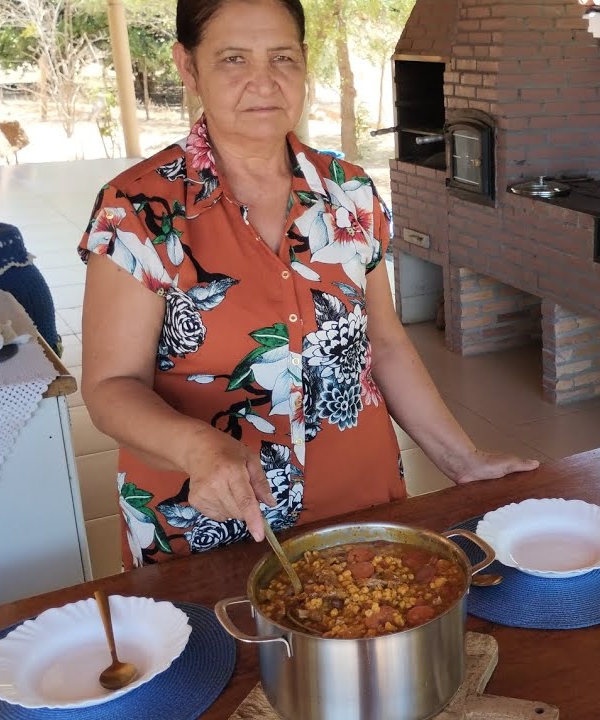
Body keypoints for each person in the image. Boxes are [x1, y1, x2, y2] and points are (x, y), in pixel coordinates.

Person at [78, 0, 538, 569]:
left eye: (282, 58)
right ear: (188, 66)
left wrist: (462, 460)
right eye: (233, 59)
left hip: (358, 501)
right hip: (206, 523)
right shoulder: (137, 209)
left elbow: (384, 343)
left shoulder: (350, 192)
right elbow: (111, 386)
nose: (263, 81)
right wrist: (196, 447)